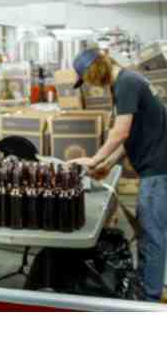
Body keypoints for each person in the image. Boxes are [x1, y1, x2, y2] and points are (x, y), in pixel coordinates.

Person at [68, 48, 167, 302]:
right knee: (147, 232)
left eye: (87, 79)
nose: (90, 86)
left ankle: (149, 299)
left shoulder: (126, 83)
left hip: (158, 169)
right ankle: (147, 287)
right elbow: (131, 136)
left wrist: (94, 159)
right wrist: (109, 163)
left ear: (94, 70)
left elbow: (120, 132)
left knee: (152, 236)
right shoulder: (124, 82)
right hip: (155, 167)